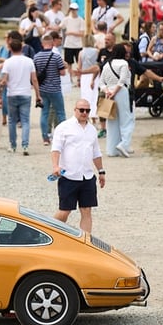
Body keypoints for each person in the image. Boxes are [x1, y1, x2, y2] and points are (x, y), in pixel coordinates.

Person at [50, 99, 105, 233]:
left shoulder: (92, 130)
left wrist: (101, 171)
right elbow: (56, 149)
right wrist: (55, 167)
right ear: (75, 110)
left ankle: (85, 242)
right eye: (81, 110)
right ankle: (49, 233)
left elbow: (96, 152)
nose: (84, 113)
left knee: (86, 210)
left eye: (87, 110)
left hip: (87, 177)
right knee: (64, 211)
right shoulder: (64, 127)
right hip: (69, 176)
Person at [0, 37, 42, 155]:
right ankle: (25, 145)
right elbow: (34, 79)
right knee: (25, 121)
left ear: (10, 49)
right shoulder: (29, 61)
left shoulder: (8, 62)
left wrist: (0, 96)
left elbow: (4, 80)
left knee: (12, 121)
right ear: (22, 48)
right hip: (25, 93)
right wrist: (38, 95)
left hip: (12, 93)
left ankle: (13, 145)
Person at [98, 44, 133, 157]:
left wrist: (108, 91)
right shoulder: (123, 63)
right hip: (121, 92)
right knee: (126, 119)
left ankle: (112, 149)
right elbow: (122, 80)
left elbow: (101, 82)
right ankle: (124, 144)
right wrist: (115, 91)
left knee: (112, 121)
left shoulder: (107, 65)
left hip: (109, 92)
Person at [33, 33, 67, 145]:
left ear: (42, 44)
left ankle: (45, 138)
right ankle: (62, 136)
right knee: (60, 113)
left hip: (43, 89)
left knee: (44, 113)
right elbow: (62, 72)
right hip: (55, 88)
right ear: (52, 43)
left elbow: (35, 74)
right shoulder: (56, 56)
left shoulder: (36, 57)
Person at [77, 34, 102, 134]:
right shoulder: (97, 51)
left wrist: (78, 79)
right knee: (95, 95)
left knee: (86, 95)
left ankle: (88, 115)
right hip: (94, 74)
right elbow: (97, 65)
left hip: (84, 75)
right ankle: (95, 114)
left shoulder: (81, 52)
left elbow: (79, 67)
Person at [61, 2, 85, 74]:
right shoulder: (66, 19)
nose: (73, 11)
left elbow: (82, 33)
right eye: (71, 9)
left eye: (74, 9)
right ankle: (70, 78)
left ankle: (79, 78)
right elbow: (60, 27)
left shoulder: (81, 20)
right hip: (68, 44)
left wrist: (71, 33)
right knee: (69, 63)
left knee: (79, 62)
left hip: (78, 45)